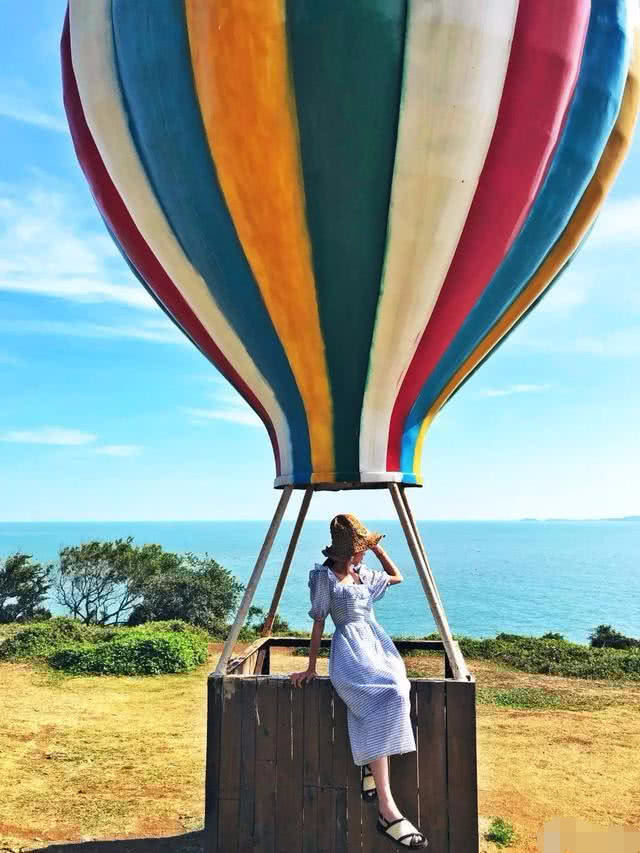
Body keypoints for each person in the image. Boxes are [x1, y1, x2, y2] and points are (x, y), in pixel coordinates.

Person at [290, 513, 428, 849]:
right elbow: (320, 621)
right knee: (386, 695)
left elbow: (398, 577)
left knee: (398, 690)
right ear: (345, 552)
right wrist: (311, 667)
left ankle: (370, 767)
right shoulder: (323, 577)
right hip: (349, 649)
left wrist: (378, 550)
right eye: (361, 549)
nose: (364, 554)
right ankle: (387, 808)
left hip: (377, 643)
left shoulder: (362, 573)